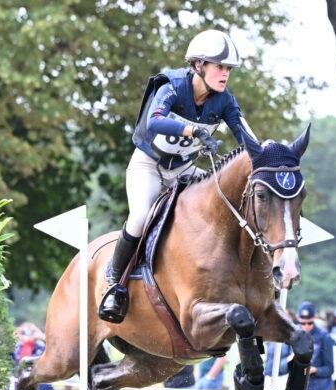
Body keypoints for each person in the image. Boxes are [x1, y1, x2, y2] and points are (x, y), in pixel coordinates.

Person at [98, 30, 254, 324]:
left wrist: (270, 155)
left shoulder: (224, 101)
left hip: (183, 171)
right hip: (149, 166)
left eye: (228, 69)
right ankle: (114, 283)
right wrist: (194, 131)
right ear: (199, 65)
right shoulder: (173, 86)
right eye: (220, 67)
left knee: (218, 202)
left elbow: (246, 137)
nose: (225, 74)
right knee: (141, 216)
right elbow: (154, 121)